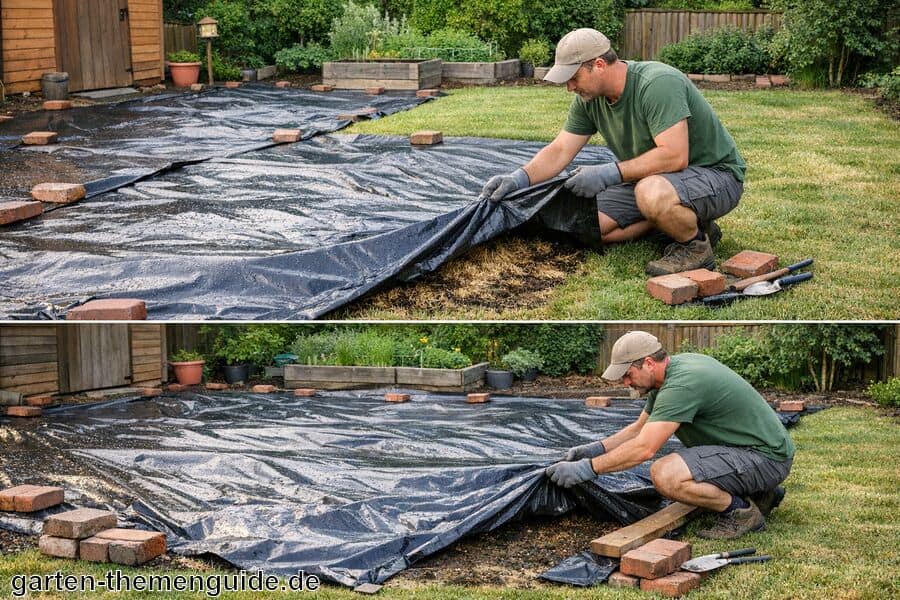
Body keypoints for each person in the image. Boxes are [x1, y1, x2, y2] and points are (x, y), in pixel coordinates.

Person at [480, 28, 746, 275]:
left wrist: (609, 173)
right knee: (590, 226)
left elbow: (675, 156)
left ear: (598, 65)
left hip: (715, 176)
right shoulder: (589, 100)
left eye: (573, 78)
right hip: (652, 178)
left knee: (651, 193)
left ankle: (695, 246)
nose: (570, 87)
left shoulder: (657, 84)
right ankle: (685, 223)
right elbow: (560, 150)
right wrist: (519, 178)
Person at [545, 331, 794, 539]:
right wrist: (595, 449)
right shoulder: (671, 372)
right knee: (679, 467)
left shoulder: (682, 385)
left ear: (649, 363)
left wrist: (587, 469)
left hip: (765, 459)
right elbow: (639, 429)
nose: (625, 383)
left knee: (665, 475)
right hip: (756, 452)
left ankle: (742, 512)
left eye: (628, 375)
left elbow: (644, 448)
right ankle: (761, 493)